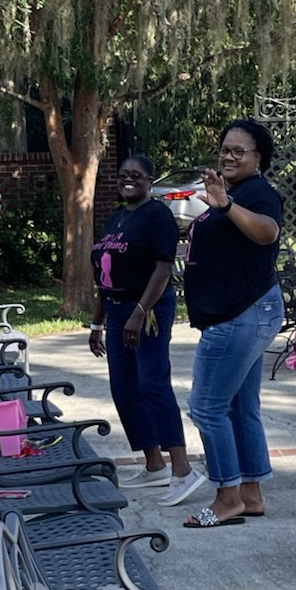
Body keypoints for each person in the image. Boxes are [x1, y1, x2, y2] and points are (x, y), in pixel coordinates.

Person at [180, 119, 284, 528]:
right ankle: (251, 494)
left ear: (259, 158)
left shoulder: (258, 193)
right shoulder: (235, 193)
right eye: (224, 148)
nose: (228, 155)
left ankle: (226, 497)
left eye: (239, 151)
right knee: (241, 407)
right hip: (245, 311)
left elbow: (267, 232)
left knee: (206, 408)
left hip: (241, 314)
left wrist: (226, 206)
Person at [89, 155, 205, 506]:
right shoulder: (117, 218)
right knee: (124, 388)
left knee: (152, 384)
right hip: (117, 309)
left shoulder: (158, 216)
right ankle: (153, 464)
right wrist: (97, 321)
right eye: (123, 175)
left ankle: (182, 469)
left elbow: (163, 269)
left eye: (136, 176)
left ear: (150, 181)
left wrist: (139, 313)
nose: (128, 180)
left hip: (147, 311)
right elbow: (104, 276)